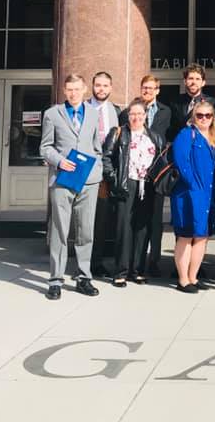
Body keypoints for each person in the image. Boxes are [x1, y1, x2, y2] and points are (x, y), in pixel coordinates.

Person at [40, 74, 102, 300]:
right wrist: (59, 161)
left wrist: (97, 171)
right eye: (69, 90)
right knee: (60, 230)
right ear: (64, 91)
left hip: (88, 180)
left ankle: (83, 277)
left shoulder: (94, 115)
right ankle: (55, 280)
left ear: (85, 89)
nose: (73, 93)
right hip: (62, 179)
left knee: (86, 229)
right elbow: (45, 147)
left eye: (77, 89)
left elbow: (97, 147)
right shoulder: (52, 114)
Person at [104, 98, 164, 287]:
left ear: (145, 116)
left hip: (147, 186)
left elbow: (161, 161)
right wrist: (114, 180)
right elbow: (106, 158)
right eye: (133, 114)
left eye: (140, 114)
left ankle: (137, 270)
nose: (136, 117)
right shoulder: (119, 133)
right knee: (124, 228)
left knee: (142, 228)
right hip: (126, 184)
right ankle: (120, 271)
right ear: (128, 116)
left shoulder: (154, 136)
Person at [121, 75, 171, 276]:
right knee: (131, 220)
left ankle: (153, 261)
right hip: (132, 175)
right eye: (144, 87)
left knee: (154, 221)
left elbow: (168, 139)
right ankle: (130, 263)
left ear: (158, 90)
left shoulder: (166, 111)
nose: (147, 91)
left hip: (154, 176)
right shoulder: (129, 112)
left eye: (151, 88)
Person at [170, 100, 215, 293]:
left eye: (208, 115)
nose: (204, 119)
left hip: (207, 194)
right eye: (200, 115)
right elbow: (182, 162)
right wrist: (192, 184)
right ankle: (183, 279)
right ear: (193, 116)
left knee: (201, 237)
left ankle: (193, 276)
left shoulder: (214, 136)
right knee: (185, 236)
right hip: (188, 194)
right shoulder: (186, 134)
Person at [88, 71, 121, 278]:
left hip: (105, 174)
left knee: (100, 220)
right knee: (82, 220)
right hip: (84, 170)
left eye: (105, 85)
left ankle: (96, 263)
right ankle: (81, 263)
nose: (101, 89)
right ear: (92, 86)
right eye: (98, 85)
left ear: (111, 87)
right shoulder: (82, 108)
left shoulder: (116, 111)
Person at [169, 63, 215, 141]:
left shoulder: (213, 103)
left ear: (203, 83)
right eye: (190, 78)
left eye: (197, 79)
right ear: (185, 81)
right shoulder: (174, 102)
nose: (194, 82)